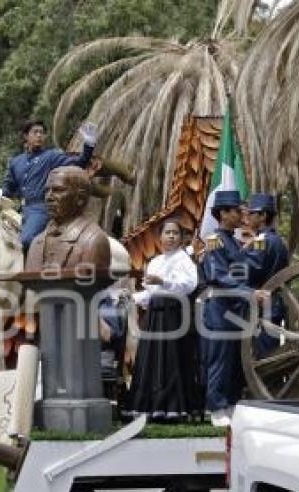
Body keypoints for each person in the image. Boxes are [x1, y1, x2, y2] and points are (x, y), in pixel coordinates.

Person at [200, 191, 267, 427]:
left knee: (234, 360)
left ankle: (229, 403)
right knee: (219, 358)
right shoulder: (214, 240)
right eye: (237, 210)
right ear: (224, 214)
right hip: (220, 309)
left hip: (235, 310)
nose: (242, 214)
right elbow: (218, 276)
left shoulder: (233, 241)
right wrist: (249, 293)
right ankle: (215, 408)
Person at [123, 219, 199, 421]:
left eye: (175, 233)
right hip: (155, 315)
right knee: (152, 359)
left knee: (171, 358)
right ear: (160, 237)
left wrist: (163, 281)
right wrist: (132, 297)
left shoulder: (184, 260)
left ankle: (173, 406)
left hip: (173, 314)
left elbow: (189, 286)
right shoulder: (155, 262)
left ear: (182, 238)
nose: (171, 236)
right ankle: (150, 406)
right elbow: (151, 294)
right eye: (167, 233)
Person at [0, 119, 98, 250]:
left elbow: (79, 163)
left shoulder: (51, 156)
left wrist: (89, 144)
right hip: (20, 211)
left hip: (41, 209)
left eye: (42, 133)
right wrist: (0, 194)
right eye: (35, 132)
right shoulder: (15, 161)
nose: (39, 136)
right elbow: (9, 187)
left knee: (26, 240)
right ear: (26, 136)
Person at [24, 166, 111, 272]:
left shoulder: (93, 241)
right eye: (47, 191)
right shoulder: (36, 242)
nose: (49, 197)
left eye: (58, 190)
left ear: (80, 198)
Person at [246, 193, 290, 356]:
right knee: (272, 351)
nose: (248, 218)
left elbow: (251, 271)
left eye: (251, 213)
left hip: (264, 305)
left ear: (263, 215)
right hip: (276, 303)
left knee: (265, 355)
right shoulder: (279, 241)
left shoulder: (261, 241)